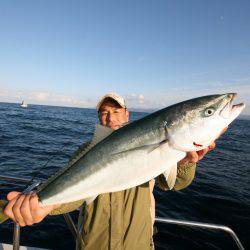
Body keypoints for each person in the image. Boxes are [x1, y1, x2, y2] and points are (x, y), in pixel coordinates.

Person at [4, 93, 220, 250]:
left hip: (138, 245)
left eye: (116, 111)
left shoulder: (163, 145)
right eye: (104, 113)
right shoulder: (85, 151)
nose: (110, 117)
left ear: (127, 114)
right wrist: (44, 206)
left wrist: (186, 163)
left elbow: (172, 183)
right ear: (99, 118)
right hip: (92, 244)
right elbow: (73, 196)